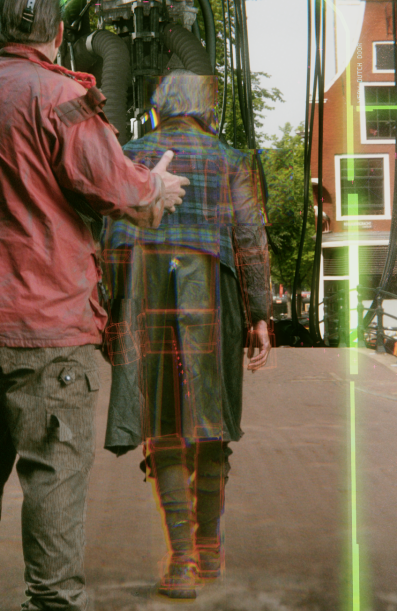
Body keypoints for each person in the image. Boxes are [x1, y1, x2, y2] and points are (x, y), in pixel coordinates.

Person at [0, 0, 190, 611]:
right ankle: (53, 601)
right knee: (53, 467)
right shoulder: (63, 97)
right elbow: (115, 187)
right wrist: (156, 188)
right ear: (58, 34)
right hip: (48, 324)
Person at [99, 69, 273, 599]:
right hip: (210, 291)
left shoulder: (130, 154)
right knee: (210, 419)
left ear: (158, 108)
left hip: (147, 290)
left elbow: (110, 239)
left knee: (164, 422)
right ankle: (209, 548)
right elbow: (250, 238)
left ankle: (180, 560)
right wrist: (259, 314)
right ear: (206, 110)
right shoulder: (232, 159)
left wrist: (109, 312)